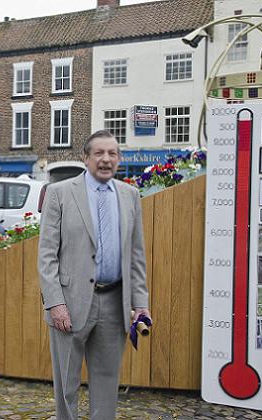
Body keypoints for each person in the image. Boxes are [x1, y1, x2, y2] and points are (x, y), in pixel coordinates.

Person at [38, 130, 151, 419]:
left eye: (112, 153)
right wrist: (55, 303)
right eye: (99, 153)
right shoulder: (60, 193)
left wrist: (141, 304)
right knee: (67, 383)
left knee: (107, 380)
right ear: (85, 158)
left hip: (115, 302)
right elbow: (47, 254)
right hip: (70, 303)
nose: (106, 159)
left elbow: (136, 256)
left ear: (119, 159)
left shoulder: (130, 195)